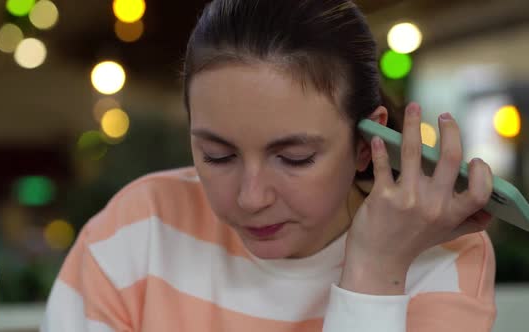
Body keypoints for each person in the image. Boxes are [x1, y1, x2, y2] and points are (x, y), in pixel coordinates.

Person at [41, 0, 497, 331]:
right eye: (218, 155)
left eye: (294, 158)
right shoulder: (137, 229)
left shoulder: (441, 254)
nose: (251, 198)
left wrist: (376, 270)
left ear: (365, 143)